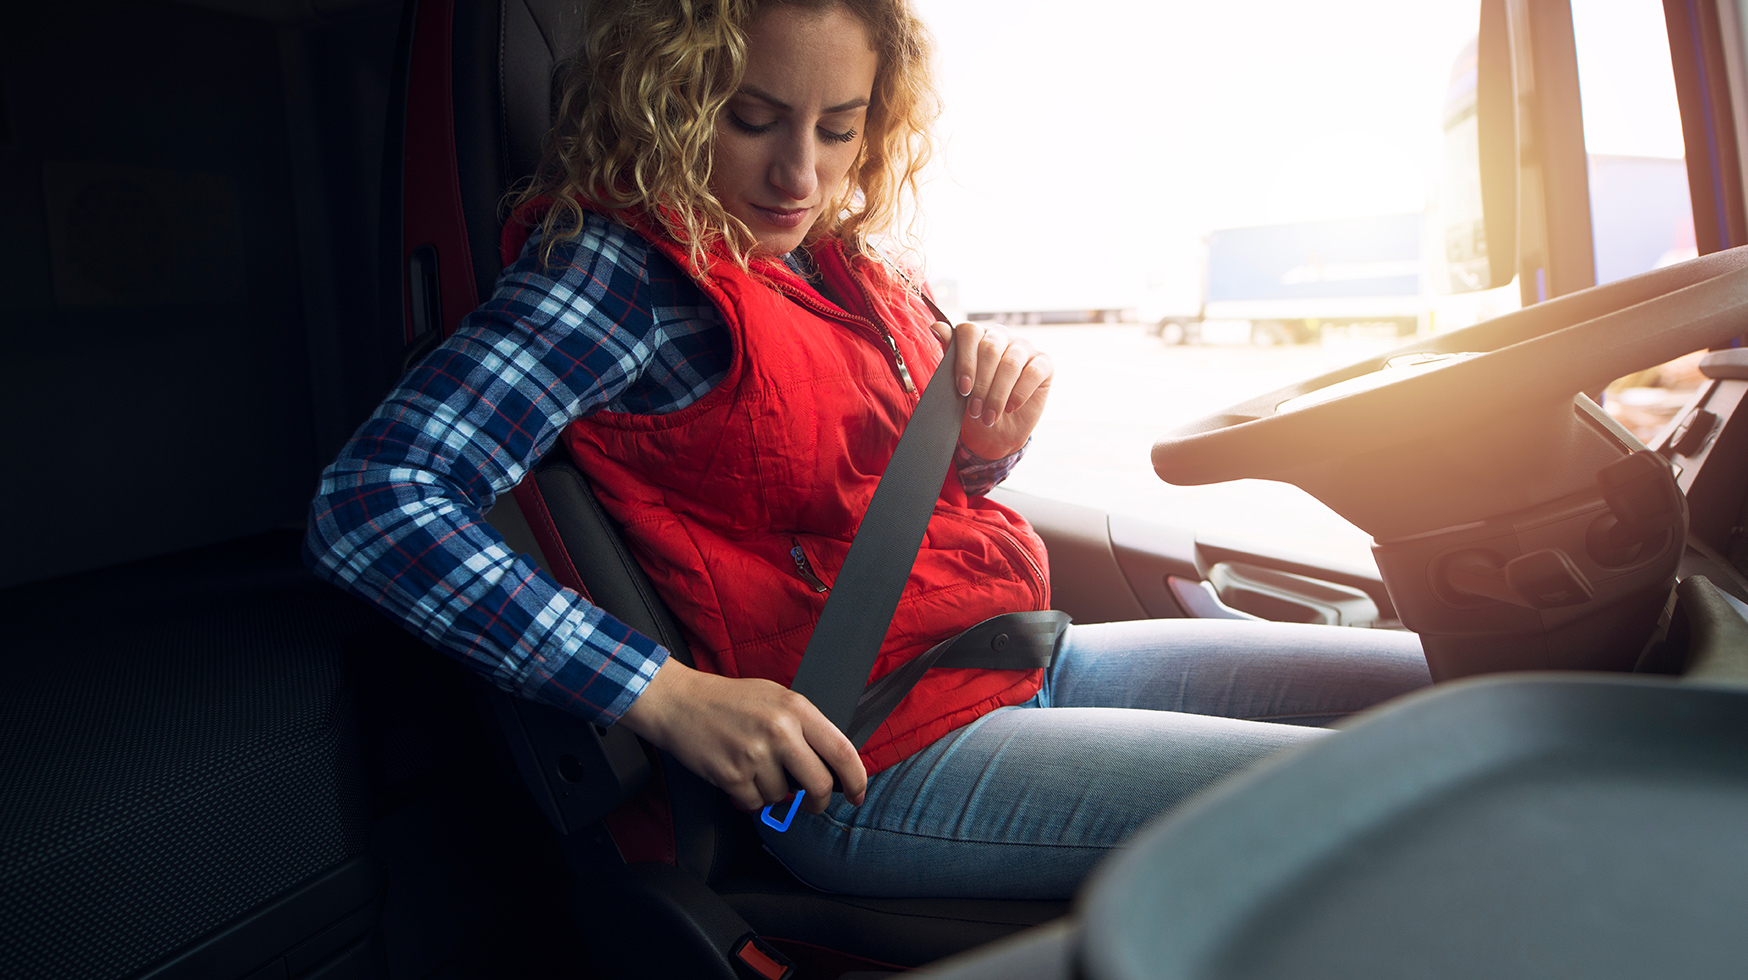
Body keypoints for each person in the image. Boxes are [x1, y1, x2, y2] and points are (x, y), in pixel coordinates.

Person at [305, 0, 1431, 901]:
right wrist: (664, 695)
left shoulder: (852, 269)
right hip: (869, 760)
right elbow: (375, 501)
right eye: (753, 118)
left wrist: (983, 448)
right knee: (1395, 806)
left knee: (1449, 680)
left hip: (1012, 660)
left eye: (836, 128)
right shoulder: (622, 274)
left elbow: (856, 502)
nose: (799, 172)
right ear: (675, 102)